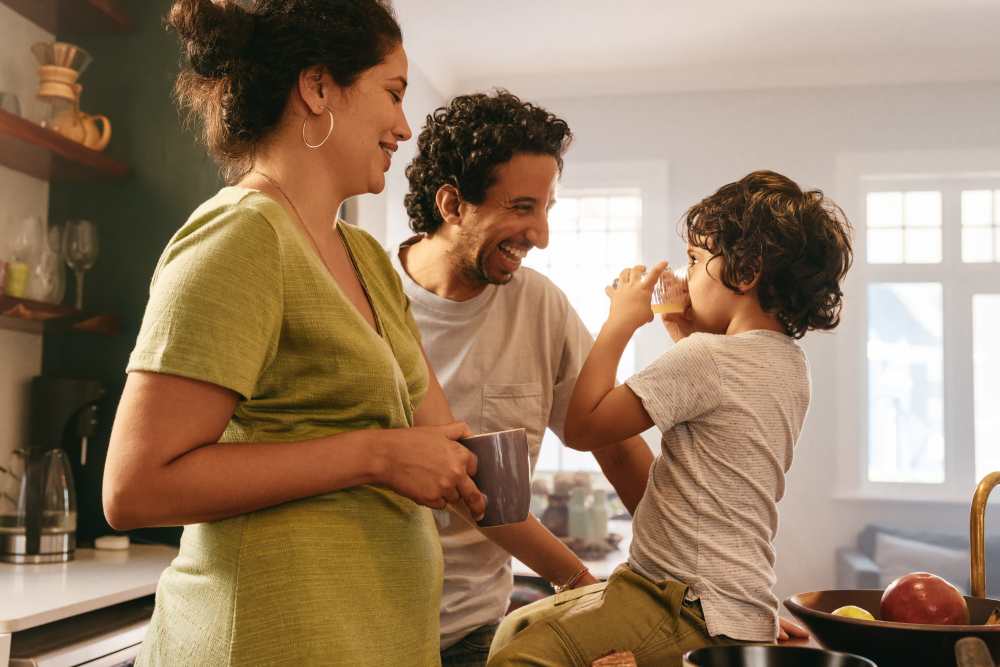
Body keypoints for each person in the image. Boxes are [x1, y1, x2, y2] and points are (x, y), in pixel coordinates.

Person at [102, 1, 485, 665]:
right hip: (265, 639)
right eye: (392, 93)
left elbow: (429, 439)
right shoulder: (241, 236)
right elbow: (135, 486)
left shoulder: (367, 258)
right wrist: (377, 454)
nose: (404, 125)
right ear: (316, 87)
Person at [488, 170, 853, 666]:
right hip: (732, 601)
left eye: (696, 259)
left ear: (744, 273)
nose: (684, 276)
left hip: (682, 602)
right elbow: (722, 411)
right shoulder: (789, 364)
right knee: (520, 622)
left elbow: (583, 427)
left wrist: (619, 321)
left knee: (522, 656)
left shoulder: (706, 358)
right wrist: (682, 332)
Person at [394, 90, 655, 667]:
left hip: (477, 629)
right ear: (452, 204)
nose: (540, 234)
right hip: (369, 628)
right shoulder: (373, 301)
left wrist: (709, 579)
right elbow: (470, 490)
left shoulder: (540, 306)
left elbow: (617, 446)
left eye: (546, 209)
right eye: (521, 207)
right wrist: (583, 583)